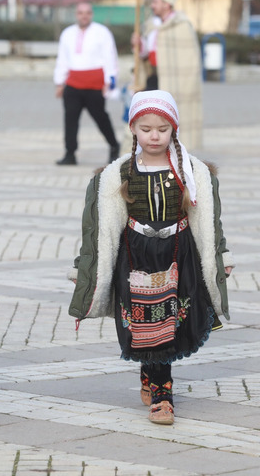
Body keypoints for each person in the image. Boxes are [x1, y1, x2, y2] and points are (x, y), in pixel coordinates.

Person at [67, 89, 234, 425]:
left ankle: (160, 387)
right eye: (146, 128)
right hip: (135, 256)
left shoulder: (193, 173)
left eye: (162, 128)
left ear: (174, 129)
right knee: (146, 322)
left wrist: (221, 256)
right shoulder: (116, 174)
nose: (154, 135)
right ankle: (157, 387)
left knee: (171, 322)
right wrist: (85, 266)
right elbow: (97, 225)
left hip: (179, 253)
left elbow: (210, 220)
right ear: (132, 128)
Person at [131, 0, 203, 151]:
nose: (152, 5)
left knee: (169, 120)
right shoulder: (152, 26)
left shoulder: (181, 26)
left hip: (173, 84)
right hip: (153, 79)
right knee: (147, 118)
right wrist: (139, 45)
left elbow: (189, 61)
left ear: (166, 4)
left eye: (156, 2)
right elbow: (147, 54)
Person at [53, 2, 121, 166]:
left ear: (91, 14)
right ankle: (70, 153)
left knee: (100, 118)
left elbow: (110, 57)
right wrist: (59, 82)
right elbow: (63, 59)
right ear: (76, 14)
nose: (84, 16)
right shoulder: (67, 33)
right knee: (70, 120)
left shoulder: (102, 32)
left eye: (87, 13)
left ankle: (113, 145)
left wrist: (109, 81)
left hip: (94, 84)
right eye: (80, 13)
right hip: (73, 83)